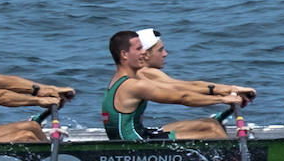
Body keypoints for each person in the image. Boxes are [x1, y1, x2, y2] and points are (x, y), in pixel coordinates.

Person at [103, 30, 244, 140]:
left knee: (210, 124)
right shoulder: (133, 85)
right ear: (124, 55)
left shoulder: (120, 79)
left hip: (141, 135)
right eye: (139, 49)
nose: (143, 53)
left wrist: (227, 93)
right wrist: (223, 99)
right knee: (213, 133)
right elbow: (182, 97)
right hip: (135, 146)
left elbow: (183, 89)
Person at [0, 24, 76, 105]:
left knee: (31, 127)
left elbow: (3, 90)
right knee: (28, 135)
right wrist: (40, 93)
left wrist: (43, 94)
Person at [135, 28, 256, 106]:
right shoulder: (145, 73)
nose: (165, 54)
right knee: (211, 128)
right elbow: (182, 90)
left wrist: (228, 90)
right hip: (132, 139)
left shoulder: (142, 72)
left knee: (210, 125)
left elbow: (188, 86)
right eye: (160, 50)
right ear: (145, 55)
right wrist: (225, 94)